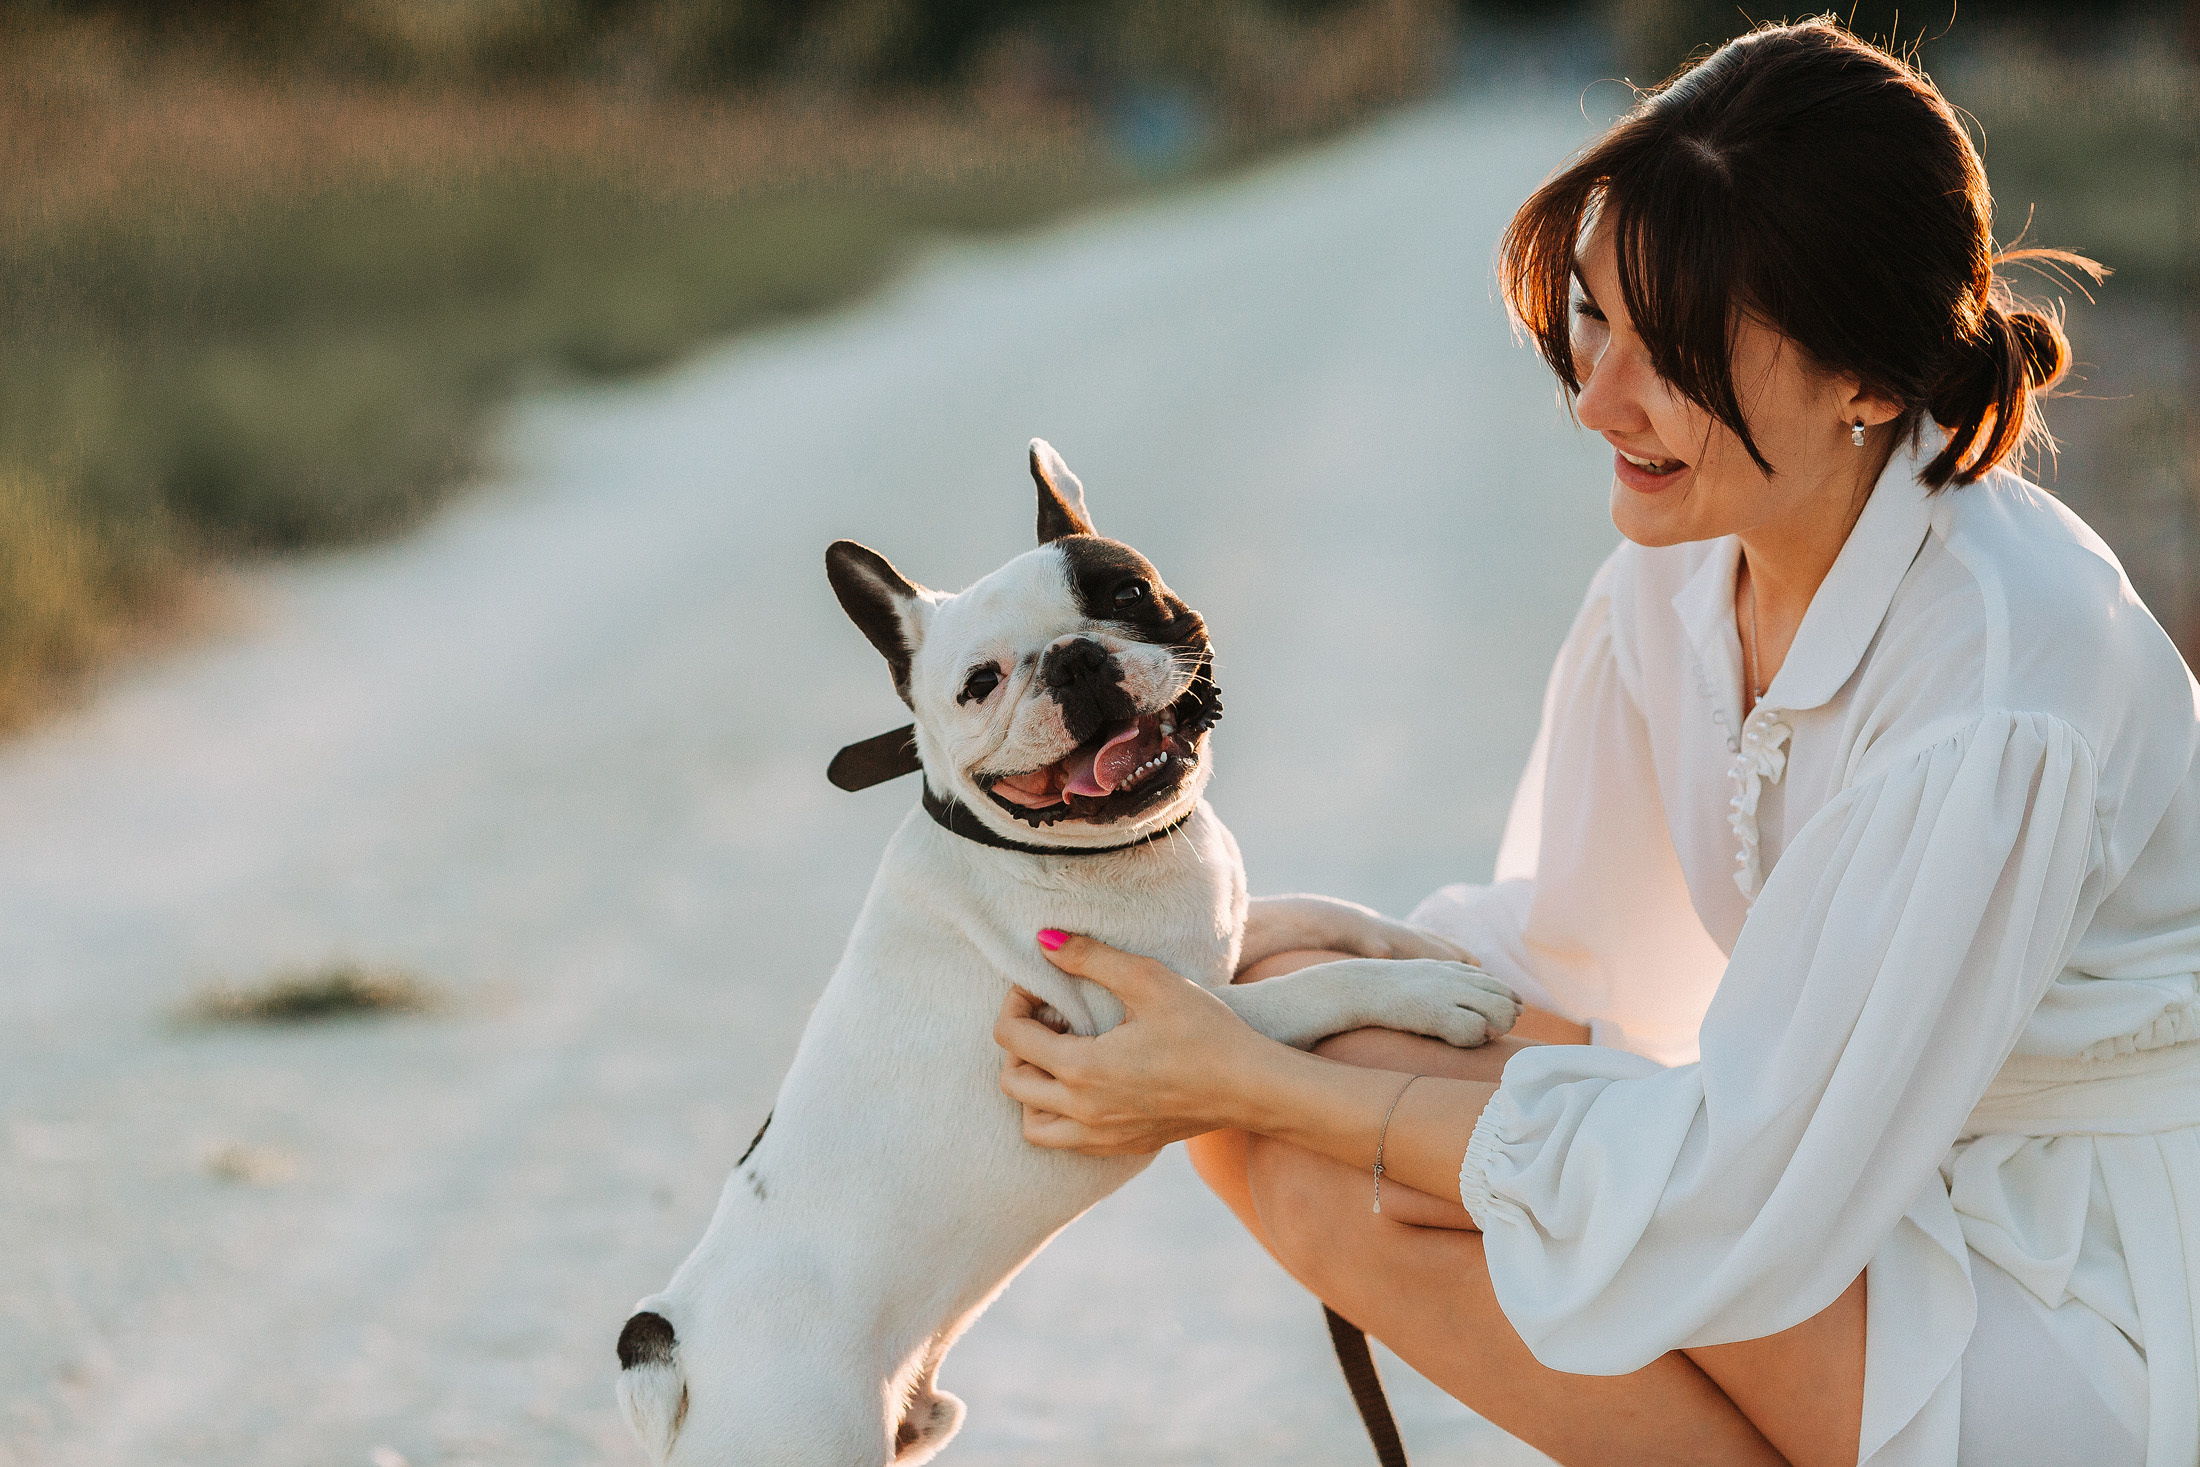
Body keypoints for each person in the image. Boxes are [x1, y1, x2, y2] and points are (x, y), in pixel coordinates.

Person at [990, 19, 2200, 1467]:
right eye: (1593, 320)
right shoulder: (1688, 564)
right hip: (1845, 1191)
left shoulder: (1998, 680)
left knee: (1282, 1099)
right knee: (1280, 1040)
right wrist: (1254, 958)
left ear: (1870, 378)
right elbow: (1582, 978)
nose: (1597, 399)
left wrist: (1251, 1074)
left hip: (2085, 1289)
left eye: (1676, 353)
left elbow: (1742, 1196)